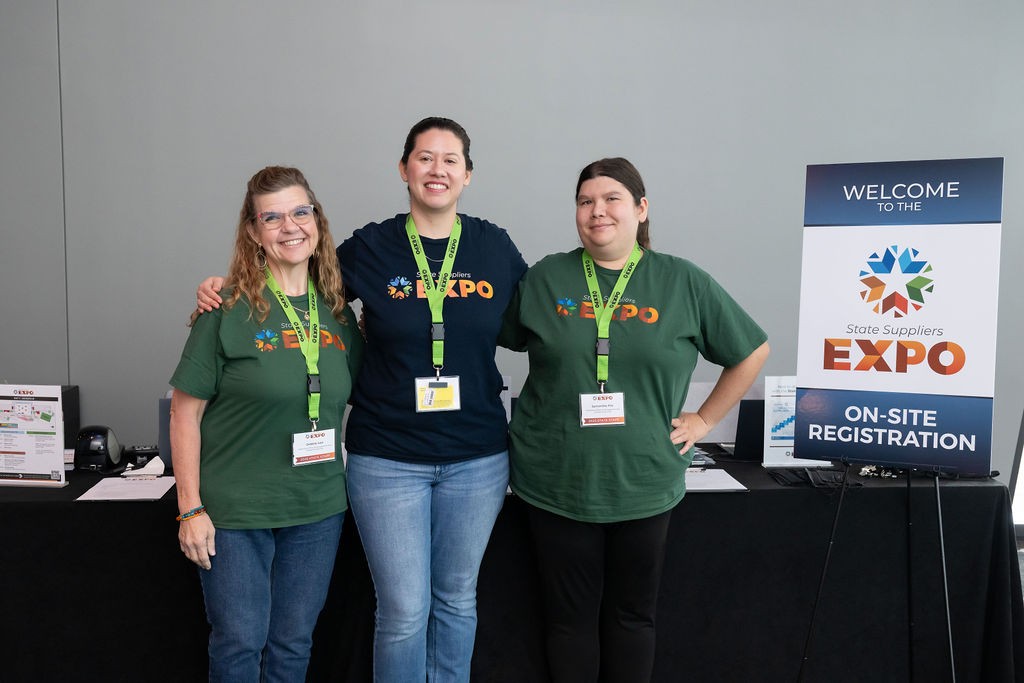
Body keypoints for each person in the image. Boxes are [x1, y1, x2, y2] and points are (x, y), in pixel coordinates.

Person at [196, 118, 528, 682]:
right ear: (404, 169)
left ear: (468, 175)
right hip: (387, 458)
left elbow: (531, 328)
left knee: (457, 601)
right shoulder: (371, 247)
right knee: (402, 613)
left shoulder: (492, 246)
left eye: (451, 160)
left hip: (476, 456)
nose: (437, 170)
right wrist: (225, 285)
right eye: (425, 158)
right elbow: (293, 282)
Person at [500, 157, 769, 683]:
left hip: (643, 480)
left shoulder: (682, 281)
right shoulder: (544, 277)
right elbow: (480, 335)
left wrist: (705, 420)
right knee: (567, 621)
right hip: (555, 478)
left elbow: (751, 350)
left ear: (641, 210)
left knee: (631, 617)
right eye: (585, 201)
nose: (597, 211)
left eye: (611, 199)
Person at [171, 166, 363, 682]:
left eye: (301, 212)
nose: (289, 226)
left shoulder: (339, 315)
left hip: (317, 507)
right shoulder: (225, 309)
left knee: (293, 643)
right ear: (253, 231)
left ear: (317, 221)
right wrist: (190, 508)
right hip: (234, 512)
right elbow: (184, 412)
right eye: (271, 217)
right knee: (239, 644)